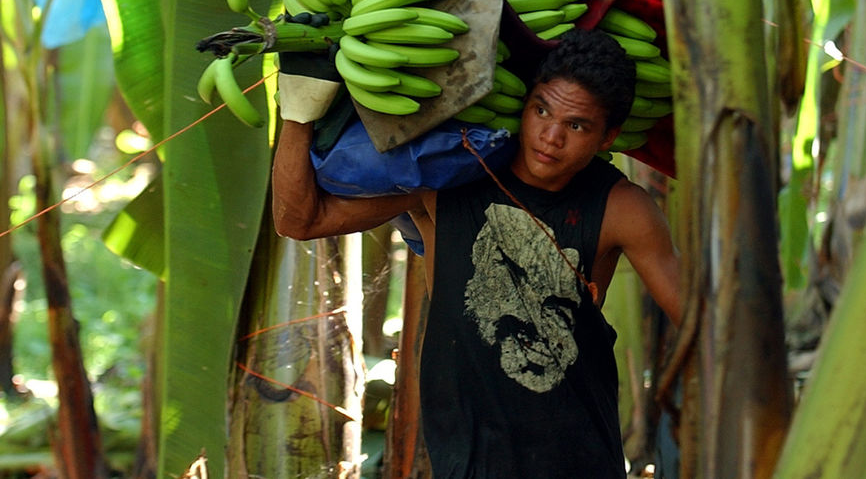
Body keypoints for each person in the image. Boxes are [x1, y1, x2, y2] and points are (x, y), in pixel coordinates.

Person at [272, 29, 682, 478]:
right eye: (541, 110)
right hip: (462, 460)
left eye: (576, 125)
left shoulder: (621, 209)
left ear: (609, 138)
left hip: (577, 460)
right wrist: (298, 112)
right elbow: (299, 221)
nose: (550, 136)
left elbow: (697, 320)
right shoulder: (452, 180)